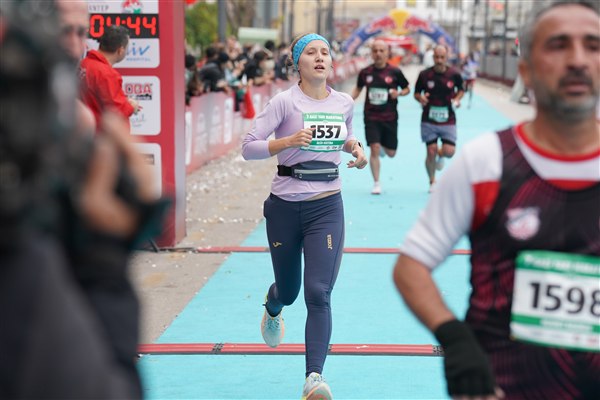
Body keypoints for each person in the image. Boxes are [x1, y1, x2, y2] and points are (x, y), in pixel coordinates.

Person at [393, 1, 600, 399]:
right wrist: (455, 339)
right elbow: (411, 266)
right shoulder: (486, 161)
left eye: (593, 45)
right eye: (558, 45)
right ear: (526, 71)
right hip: (502, 386)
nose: (577, 59)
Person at [242, 33, 367, 400]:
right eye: (311, 52)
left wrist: (356, 148)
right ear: (297, 62)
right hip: (284, 207)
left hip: (326, 206)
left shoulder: (344, 102)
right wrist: (287, 141)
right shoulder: (283, 102)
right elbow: (248, 147)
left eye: (325, 52)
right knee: (290, 291)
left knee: (318, 291)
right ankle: (273, 307)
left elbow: (345, 137)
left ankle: (314, 378)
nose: (320, 57)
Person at [352, 39, 410, 194]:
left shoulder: (395, 72)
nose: (378, 53)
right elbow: (358, 89)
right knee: (374, 148)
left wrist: (399, 93)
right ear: (371, 53)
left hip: (390, 117)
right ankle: (376, 183)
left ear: (387, 53)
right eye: (375, 51)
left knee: (391, 153)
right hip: (371, 117)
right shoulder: (365, 72)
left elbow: (407, 89)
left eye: (381, 51)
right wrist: (347, 101)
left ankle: (385, 148)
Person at [414, 44, 464, 192]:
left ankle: (441, 154)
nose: (439, 60)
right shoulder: (424, 75)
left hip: (448, 118)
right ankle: (432, 181)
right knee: (431, 150)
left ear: (447, 57)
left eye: (442, 57)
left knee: (449, 152)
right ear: (433, 57)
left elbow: (461, 90)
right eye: (437, 57)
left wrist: (457, 100)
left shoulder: (454, 74)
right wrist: (421, 98)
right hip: (429, 119)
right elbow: (416, 93)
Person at [79, 25, 141, 128]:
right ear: (120, 50)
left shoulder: (84, 63)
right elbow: (117, 112)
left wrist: (125, 102)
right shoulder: (107, 74)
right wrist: (132, 106)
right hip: (99, 133)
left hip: (87, 130)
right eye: (127, 48)